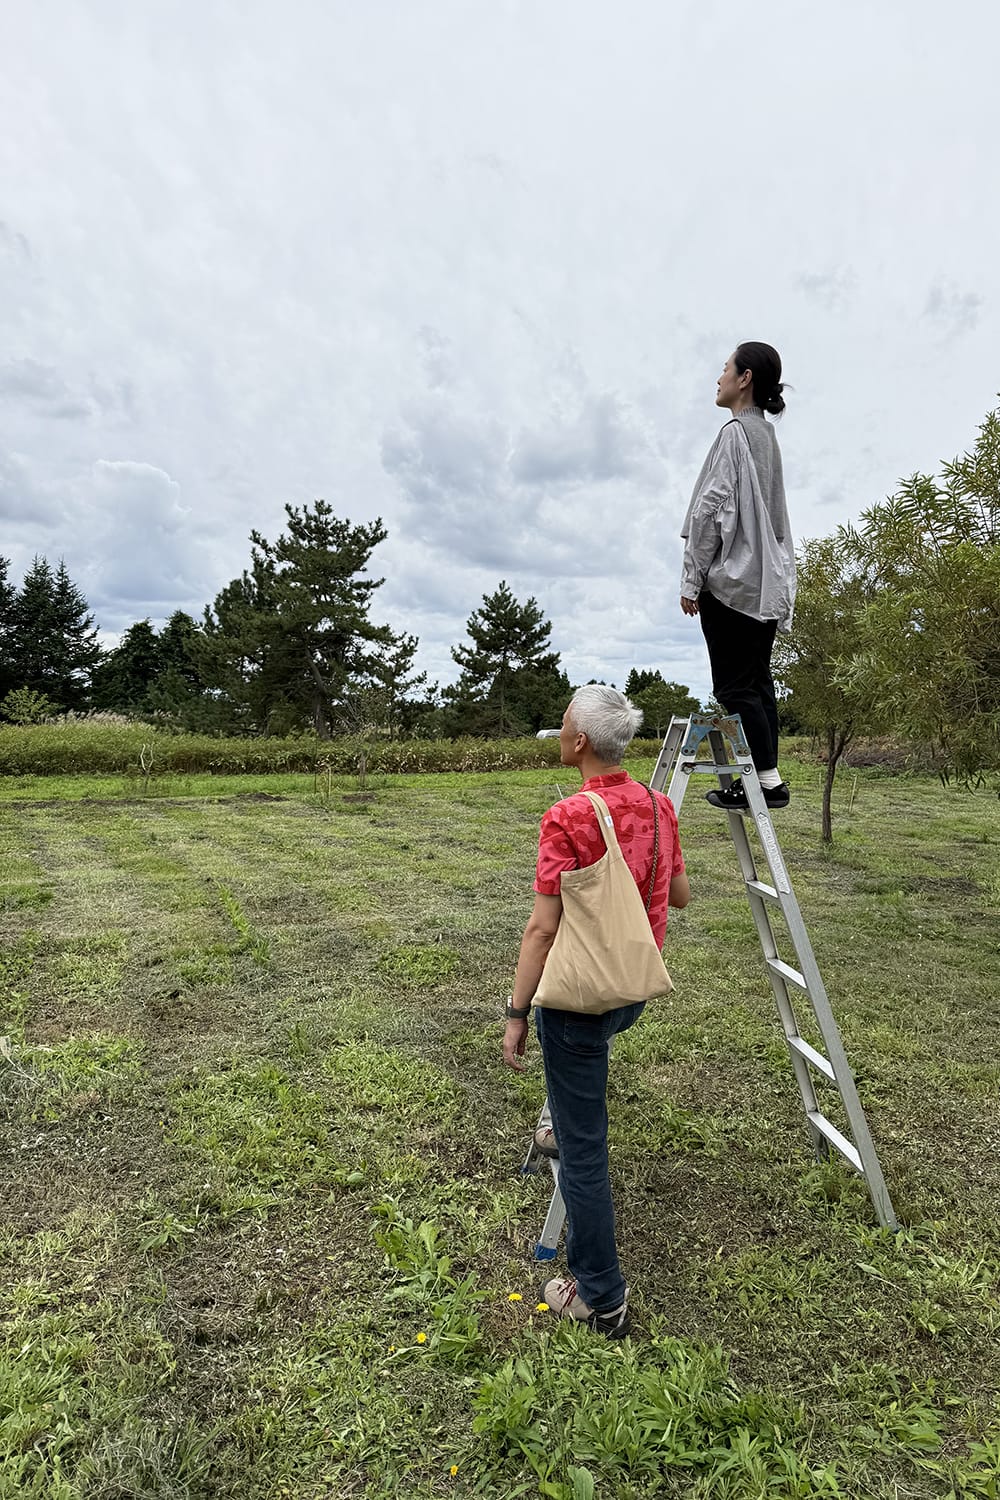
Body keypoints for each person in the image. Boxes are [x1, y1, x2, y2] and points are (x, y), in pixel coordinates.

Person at [501, 685, 690, 1338]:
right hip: (630, 991)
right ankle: (557, 1120)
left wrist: (517, 1011)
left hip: (579, 1002)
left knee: (585, 1156)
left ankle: (601, 1297)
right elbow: (682, 896)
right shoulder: (661, 805)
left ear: (580, 741)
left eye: (561, 726)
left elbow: (541, 932)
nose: (557, 734)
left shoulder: (569, 816)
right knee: (575, 1105)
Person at [679, 341, 796, 810]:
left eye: (725, 368)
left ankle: (760, 787)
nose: (719, 376)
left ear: (745, 378)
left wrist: (692, 577)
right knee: (757, 683)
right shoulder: (767, 438)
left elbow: (710, 510)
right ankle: (770, 780)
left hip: (734, 583)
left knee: (733, 688)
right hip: (768, 583)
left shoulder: (734, 434)